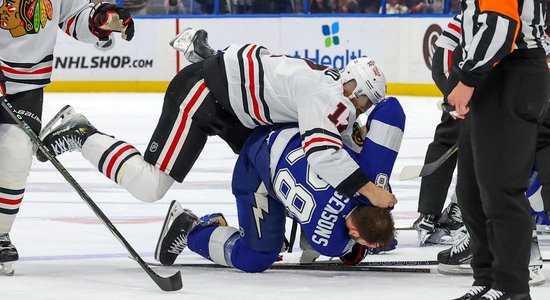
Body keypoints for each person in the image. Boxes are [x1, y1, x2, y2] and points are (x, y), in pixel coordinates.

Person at [38, 28, 398, 214]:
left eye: (369, 102)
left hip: (234, 104)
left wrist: (355, 139)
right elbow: (322, 152)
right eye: (363, 96)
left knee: (270, 163)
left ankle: (205, 53)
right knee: (150, 186)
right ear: (349, 82)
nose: (361, 106)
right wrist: (369, 189)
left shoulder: (331, 86)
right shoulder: (329, 96)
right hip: (203, 95)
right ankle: (81, 132)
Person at [155, 96, 405, 271]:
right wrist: (378, 241)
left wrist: (379, 177)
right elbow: (351, 250)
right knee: (254, 257)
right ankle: (189, 229)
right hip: (256, 170)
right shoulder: (331, 243)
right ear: (352, 233)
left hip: (289, 129)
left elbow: (391, 108)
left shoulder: (371, 179)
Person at [0, 1, 134, 275]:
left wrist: (98, 19)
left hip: (27, 82)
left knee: (15, 154)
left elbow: (72, 16)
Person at [447, 0, 550, 298]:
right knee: (471, 189)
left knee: (500, 188)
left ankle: (511, 287)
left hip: (512, 74)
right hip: (494, 76)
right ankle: (488, 279)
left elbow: (500, 23)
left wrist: (467, 79)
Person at [413, 14, 464, 246]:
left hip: (496, 89)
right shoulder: (474, 11)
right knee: (448, 139)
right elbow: (442, 62)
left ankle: (460, 207)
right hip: (468, 89)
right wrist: (456, 97)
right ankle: (430, 214)